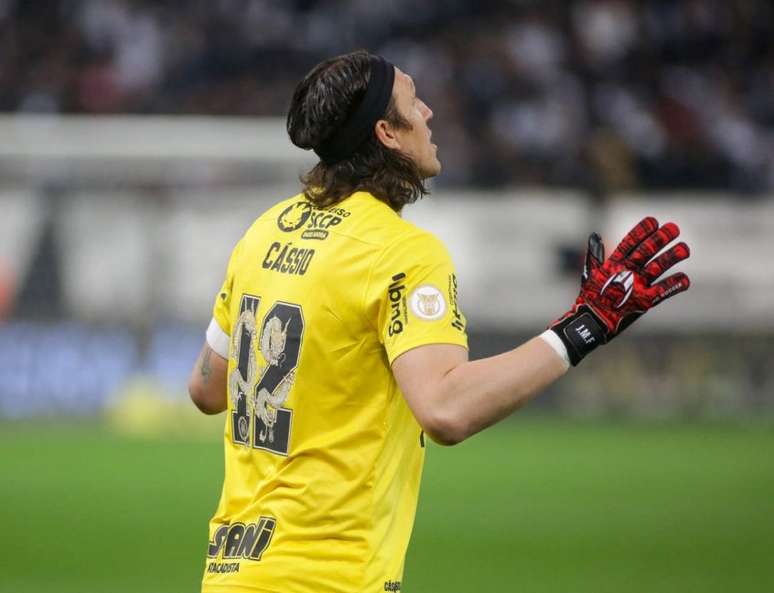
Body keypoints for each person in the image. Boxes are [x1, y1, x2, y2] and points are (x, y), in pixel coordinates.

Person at [188, 49, 690, 593]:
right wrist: (583, 326)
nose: (428, 113)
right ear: (387, 133)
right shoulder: (401, 251)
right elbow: (445, 409)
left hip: (233, 573)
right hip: (328, 575)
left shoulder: (264, 232)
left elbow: (208, 389)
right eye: (413, 101)